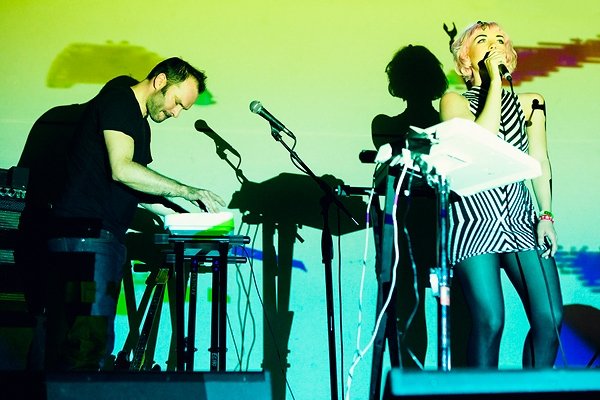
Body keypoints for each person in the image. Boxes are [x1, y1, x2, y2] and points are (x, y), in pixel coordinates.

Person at [43, 57, 225, 371]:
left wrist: (184, 216)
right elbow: (122, 169)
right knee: (86, 345)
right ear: (160, 81)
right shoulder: (119, 100)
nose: (176, 113)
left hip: (97, 238)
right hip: (86, 238)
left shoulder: (139, 123)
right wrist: (186, 190)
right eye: (177, 103)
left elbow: (138, 187)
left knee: (84, 341)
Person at [440, 21, 563, 368]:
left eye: (500, 39)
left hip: (520, 219)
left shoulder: (532, 103)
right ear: (466, 58)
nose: (494, 44)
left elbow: (539, 159)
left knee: (550, 317)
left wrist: (546, 215)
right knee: (490, 320)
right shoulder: (453, 101)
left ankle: (533, 391)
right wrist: (493, 82)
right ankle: (480, 393)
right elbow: (481, 143)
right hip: (474, 219)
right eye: (482, 40)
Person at [371, 45, 452, 368]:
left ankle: (442, 383)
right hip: (408, 228)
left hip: (443, 227)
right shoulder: (386, 124)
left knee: (441, 313)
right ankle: (415, 381)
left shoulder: (451, 126)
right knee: (410, 312)